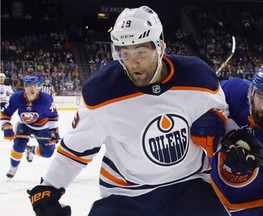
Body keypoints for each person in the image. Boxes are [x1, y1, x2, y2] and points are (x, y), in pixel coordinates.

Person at [27, 6, 230, 216]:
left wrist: (221, 124)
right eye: (125, 53)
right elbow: (76, 148)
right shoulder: (103, 93)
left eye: (141, 52)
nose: (133, 63)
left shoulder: (197, 77)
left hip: (192, 185)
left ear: (160, 46)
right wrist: (48, 187)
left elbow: (222, 112)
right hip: (127, 194)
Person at [210, 61, 263, 216]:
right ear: (251, 92)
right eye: (260, 96)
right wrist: (218, 120)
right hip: (208, 194)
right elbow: (205, 99)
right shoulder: (234, 90)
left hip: (254, 208)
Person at [0, 75, 60, 179]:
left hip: (42, 126)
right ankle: (13, 167)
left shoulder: (46, 99)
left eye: (35, 86)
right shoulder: (16, 97)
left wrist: (54, 132)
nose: (32, 88)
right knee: (18, 146)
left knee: (47, 153)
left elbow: (53, 117)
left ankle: (31, 150)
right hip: (24, 125)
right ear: (25, 87)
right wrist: (7, 127)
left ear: (38, 87)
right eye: (29, 86)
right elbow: (5, 114)